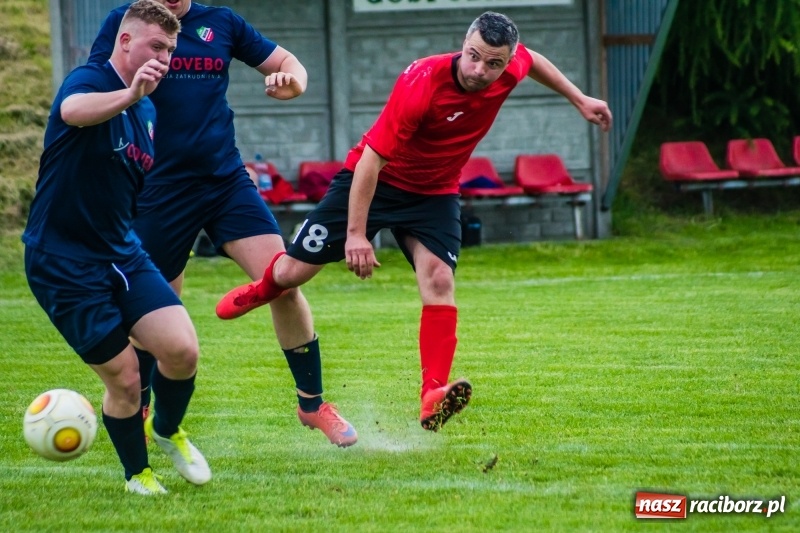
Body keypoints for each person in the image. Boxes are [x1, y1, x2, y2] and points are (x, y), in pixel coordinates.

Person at [216, 11, 613, 431]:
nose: (481, 70)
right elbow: (372, 160)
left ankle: (432, 395)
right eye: (473, 57)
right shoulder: (422, 84)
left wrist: (579, 98)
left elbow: (533, 60)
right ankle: (264, 287)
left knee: (440, 280)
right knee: (293, 273)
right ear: (463, 45)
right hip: (375, 180)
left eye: (494, 63)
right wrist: (356, 235)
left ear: (505, 60)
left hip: (434, 192)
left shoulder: (510, 65)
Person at [88, 0, 356, 447]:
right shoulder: (125, 21)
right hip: (156, 188)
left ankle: (312, 404)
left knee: (282, 282)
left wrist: (293, 82)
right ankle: (142, 407)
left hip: (224, 182)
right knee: (153, 309)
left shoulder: (223, 22)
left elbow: (289, 63)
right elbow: (96, 87)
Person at [23, 0, 210, 495]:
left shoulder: (147, 108)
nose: (165, 57)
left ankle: (166, 430)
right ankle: (138, 475)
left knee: (182, 350)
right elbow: (72, 112)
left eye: (170, 49)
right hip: (62, 261)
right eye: (156, 45)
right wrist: (128, 94)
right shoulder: (90, 81)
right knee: (126, 379)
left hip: (121, 252)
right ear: (125, 42)